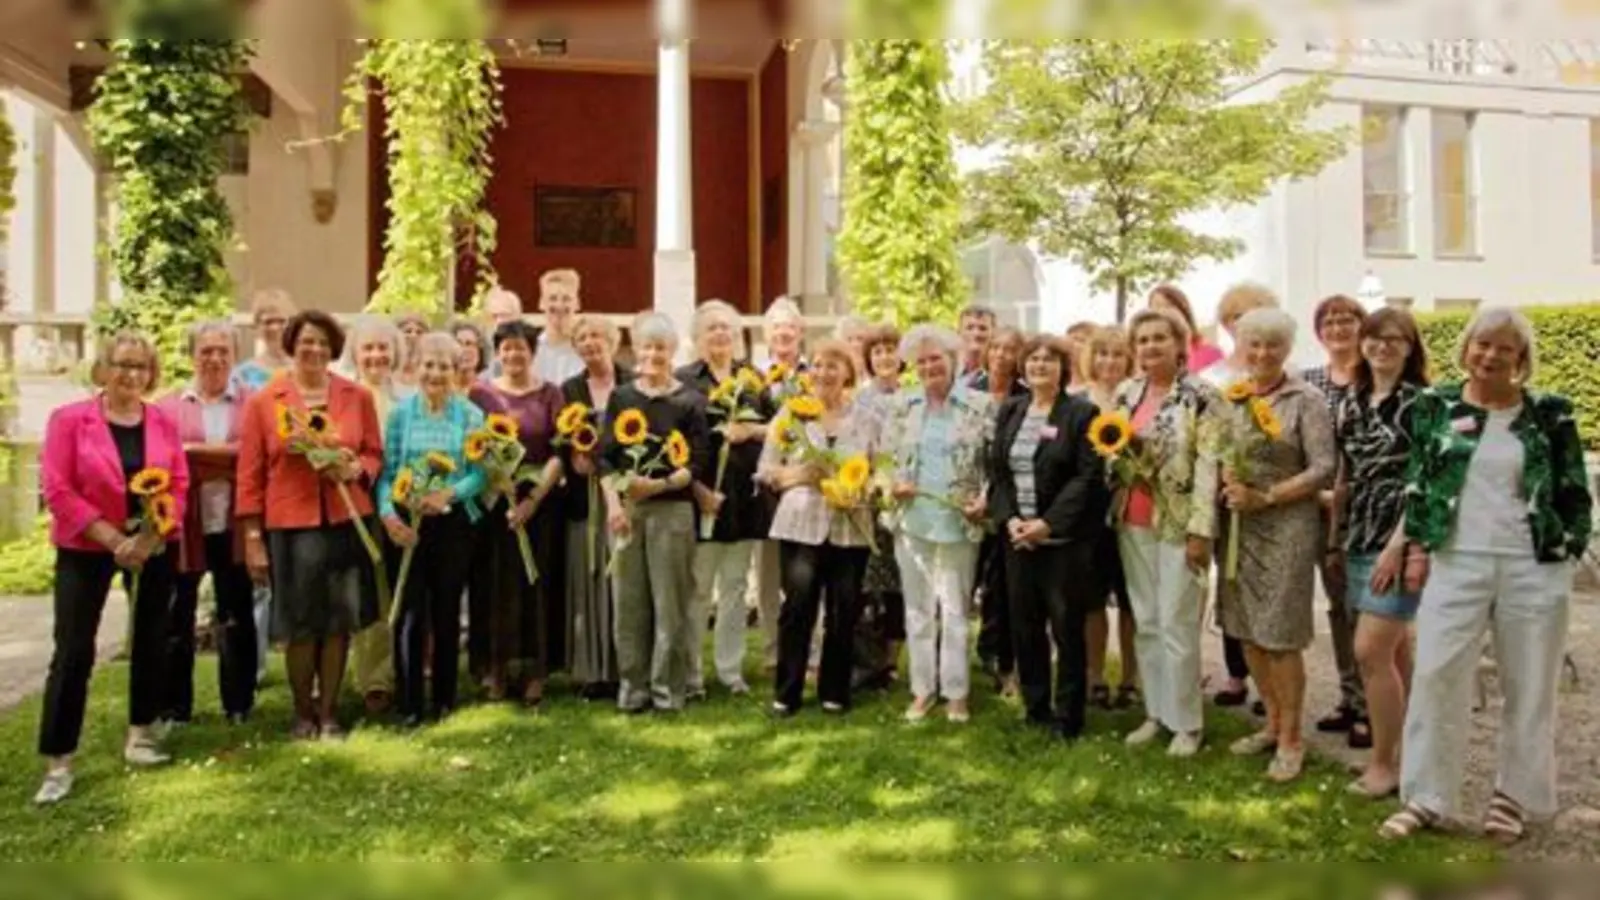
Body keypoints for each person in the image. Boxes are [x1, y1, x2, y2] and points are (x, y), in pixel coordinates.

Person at [1382, 308, 1592, 844]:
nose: (1490, 355)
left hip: (1532, 565)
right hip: (1459, 560)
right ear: (1467, 348)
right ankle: (1427, 797)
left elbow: (1573, 490)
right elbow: (1421, 483)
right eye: (1482, 344)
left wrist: (1568, 549)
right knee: (1436, 674)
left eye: (1504, 348)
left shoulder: (1549, 414)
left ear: (1521, 358)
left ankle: (1512, 798)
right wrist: (1416, 550)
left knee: (1529, 682)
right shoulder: (1436, 406)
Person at [34, 333, 190, 805]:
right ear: (103, 368)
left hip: (150, 544)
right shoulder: (68, 421)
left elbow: (178, 483)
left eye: (141, 367)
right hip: (86, 545)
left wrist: (150, 537)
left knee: (151, 639)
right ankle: (59, 759)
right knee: (74, 651)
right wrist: (111, 538)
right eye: (122, 365)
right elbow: (57, 488)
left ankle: (140, 734)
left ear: (152, 373)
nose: (131, 375)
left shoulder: (162, 421)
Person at [237, 311, 383, 742]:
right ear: (291, 346)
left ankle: (330, 711)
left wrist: (356, 466)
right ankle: (302, 711)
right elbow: (250, 474)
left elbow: (374, 453)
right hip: (292, 526)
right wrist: (251, 538)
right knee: (300, 624)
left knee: (338, 622)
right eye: (306, 342)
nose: (314, 350)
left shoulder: (356, 396)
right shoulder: (266, 401)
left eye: (322, 342)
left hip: (344, 521)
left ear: (333, 348)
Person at [1216, 308, 1337, 782]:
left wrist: (1266, 495)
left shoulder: (1306, 398)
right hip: (1240, 524)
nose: (1262, 353)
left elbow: (1324, 468)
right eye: (1254, 344)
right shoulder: (1233, 398)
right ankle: (1270, 722)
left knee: (1280, 634)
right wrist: (1228, 476)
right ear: (1242, 348)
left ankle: (1292, 738)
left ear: (1287, 349)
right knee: (1246, 627)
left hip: (1286, 523)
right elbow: (1222, 448)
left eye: (1273, 345)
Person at [1112, 309, 1219, 758]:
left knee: (1178, 622)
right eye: (1143, 340)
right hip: (1131, 519)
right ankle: (1156, 714)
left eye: (1160, 338)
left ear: (1180, 345)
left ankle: (1187, 723)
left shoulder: (1202, 396)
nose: (1151, 347)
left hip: (1178, 523)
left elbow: (1209, 466)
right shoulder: (1127, 392)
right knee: (1147, 621)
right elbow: (1110, 446)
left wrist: (1201, 530)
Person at [989, 333, 1107, 739]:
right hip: (1018, 540)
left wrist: (1048, 524)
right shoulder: (1011, 410)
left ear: (1063, 368)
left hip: (1062, 544)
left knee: (1065, 628)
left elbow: (1087, 476)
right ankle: (1036, 706)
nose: (1040, 365)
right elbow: (998, 473)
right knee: (1025, 626)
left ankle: (1069, 716)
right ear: (1023, 367)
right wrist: (1009, 521)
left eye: (1049, 360)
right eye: (1033, 359)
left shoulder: (1081, 413)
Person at [1336, 307, 1429, 799]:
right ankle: (1417, 753)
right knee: (1394, 652)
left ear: (1410, 347)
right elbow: (1346, 475)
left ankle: (1383, 763)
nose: (1382, 346)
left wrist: (1399, 546)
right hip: (1357, 535)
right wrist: (1336, 537)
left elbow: (1427, 482)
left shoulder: (1422, 404)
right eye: (1374, 338)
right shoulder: (1351, 401)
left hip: (1401, 537)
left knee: (1369, 651)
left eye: (1395, 339)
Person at [882, 324, 994, 724]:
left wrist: (985, 498)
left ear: (954, 360)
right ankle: (923, 689)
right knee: (917, 610)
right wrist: (891, 485)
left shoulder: (979, 406)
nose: (930, 366)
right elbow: (884, 461)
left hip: (958, 522)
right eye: (923, 360)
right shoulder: (902, 405)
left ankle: (957, 692)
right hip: (913, 521)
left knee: (955, 609)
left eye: (937, 358)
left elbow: (993, 465)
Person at [758, 339, 877, 715]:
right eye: (818, 366)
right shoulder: (791, 417)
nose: (824, 373)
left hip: (849, 523)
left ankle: (834, 691)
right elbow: (765, 470)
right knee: (798, 608)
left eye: (833, 366)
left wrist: (862, 488)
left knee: (844, 609)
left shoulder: (868, 419)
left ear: (848, 374)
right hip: (801, 523)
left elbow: (881, 470)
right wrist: (799, 474)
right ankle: (787, 691)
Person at [601, 312, 712, 713]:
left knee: (671, 604)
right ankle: (633, 689)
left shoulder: (690, 401)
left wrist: (660, 485)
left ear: (672, 351)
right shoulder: (622, 398)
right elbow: (606, 459)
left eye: (661, 347)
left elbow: (698, 462)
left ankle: (668, 690)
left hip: (672, 513)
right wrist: (615, 505)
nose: (653, 354)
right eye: (646, 346)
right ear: (637, 350)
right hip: (629, 511)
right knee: (629, 604)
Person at [376, 332, 488, 726]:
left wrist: (448, 495)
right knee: (409, 613)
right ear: (415, 368)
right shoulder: (399, 415)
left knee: (445, 610)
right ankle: (408, 703)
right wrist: (389, 516)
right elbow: (386, 476)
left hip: (453, 523)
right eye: (428, 364)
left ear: (456, 371)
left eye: (443, 365)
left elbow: (480, 476)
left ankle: (443, 698)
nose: (435, 373)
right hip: (408, 523)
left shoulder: (472, 416)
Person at [157, 321, 255, 728]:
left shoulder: (254, 404)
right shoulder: (167, 407)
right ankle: (176, 707)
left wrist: (197, 454)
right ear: (192, 354)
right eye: (206, 350)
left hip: (234, 524)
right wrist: (224, 457)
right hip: (185, 527)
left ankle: (238, 704)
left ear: (234, 356)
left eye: (223, 351)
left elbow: (254, 459)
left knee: (236, 614)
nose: (214, 358)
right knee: (176, 615)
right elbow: (166, 462)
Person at [678, 300, 772, 698]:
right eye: (712, 328)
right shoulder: (684, 381)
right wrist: (698, 491)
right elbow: (675, 443)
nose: (720, 334)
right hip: (702, 500)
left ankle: (731, 671)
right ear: (698, 337)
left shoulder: (754, 381)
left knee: (735, 588)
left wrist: (750, 432)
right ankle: (692, 674)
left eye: (727, 328)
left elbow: (777, 430)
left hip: (744, 501)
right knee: (698, 590)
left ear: (737, 336)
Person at [1196, 282, 1279, 709]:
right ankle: (1235, 672)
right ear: (1228, 325)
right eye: (1237, 319)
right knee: (1228, 582)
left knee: (1267, 586)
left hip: (1269, 500)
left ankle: (1273, 679)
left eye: (1255, 316)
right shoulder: (1211, 379)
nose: (1244, 327)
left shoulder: (1285, 375)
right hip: (1222, 498)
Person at [481, 320, 565, 706]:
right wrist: (496, 480)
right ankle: (496, 669)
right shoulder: (480, 394)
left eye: (521, 347)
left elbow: (558, 452)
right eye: (506, 347)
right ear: (497, 352)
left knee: (536, 585)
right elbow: (472, 445)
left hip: (539, 505)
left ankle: (535, 671)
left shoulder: (550, 394)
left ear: (534, 352)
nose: (514, 354)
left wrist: (532, 501)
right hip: (493, 503)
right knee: (496, 587)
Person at [1301, 294, 1371, 749]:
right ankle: (1349, 697)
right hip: (1319, 510)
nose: (1338, 327)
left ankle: (1371, 705)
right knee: (1336, 606)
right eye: (1329, 320)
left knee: (1363, 609)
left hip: (1366, 511)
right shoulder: (1307, 383)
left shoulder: (1375, 377)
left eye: (1347, 319)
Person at [562, 314, 631, 700]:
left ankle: (626, 666)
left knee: (623, 581)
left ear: (612, 340)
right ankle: (593, 671)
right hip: (583, 500)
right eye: (582, 338)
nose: (590, 343)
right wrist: (574, 455)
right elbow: (561, 437)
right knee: (589, 581)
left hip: (624, 495)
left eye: (597, 336)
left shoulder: (631, 382)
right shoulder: (569, 389)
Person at [342, 315, 407, 713]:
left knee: (396, 591)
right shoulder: (345, 398)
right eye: (368, 348)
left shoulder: (405, 398)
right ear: (356, 353)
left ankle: (396, 671)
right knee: (364, 593)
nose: (376, 355)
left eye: (383, 347)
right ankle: (372, 679)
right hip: (354, 508)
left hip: (399, 508)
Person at [1077, 325, 1141, 711]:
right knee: (1092, 599)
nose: (1109, 362)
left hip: (1130, 507)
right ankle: (1095, 675)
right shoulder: (1077, 401)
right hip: (1089, 514)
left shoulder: (1137, 399)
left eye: (1117, 354)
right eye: (1102, 353)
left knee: (1132, 599)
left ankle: (1131, 679)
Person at [448, 316, 512, 684]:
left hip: (483, 503)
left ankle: (483, 662)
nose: (465, 350)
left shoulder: (488, 397)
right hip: (443, 501)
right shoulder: (438, 392)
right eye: (459, 342)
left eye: (472, 343)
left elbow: (502, 450)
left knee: (484, 585)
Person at [853, 324, 906, 689]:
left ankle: (891, 662)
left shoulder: (914, 397)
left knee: (900, 584)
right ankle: (865, 660)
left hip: (904, 500)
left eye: (891, 349)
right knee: (867, 584)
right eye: (878, 352)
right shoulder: (858, 399)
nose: (885, 357)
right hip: (867, 503)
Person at [974, 326, 1026, 696]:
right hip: (968, 498)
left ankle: (1000, 657)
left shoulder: (1025, 396)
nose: (1003, 355)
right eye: (997, 348)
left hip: (1007, 500)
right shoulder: (968, 392)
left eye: (1011, 349)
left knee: (1001, 585)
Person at [1147, 284, 1224, 374]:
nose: (1162, 313)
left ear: (1183, 310)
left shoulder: (1211, 354)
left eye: (1168, 306)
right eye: (1155, 308)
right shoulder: (1145, 357)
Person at [232, 288, 296, 390]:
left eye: (281, 321)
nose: (275, 327)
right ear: (257, 327)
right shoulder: (242, 375)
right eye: (268, 322)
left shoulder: (307, 371)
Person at [535, 268, 585, 385]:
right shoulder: (531, 351)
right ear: (541, 303)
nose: (559, 305)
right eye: (552, 298)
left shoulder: (585, 351)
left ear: (577, 304)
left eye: (566, 299)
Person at [479, 286, 525, 381]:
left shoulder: (530, 350)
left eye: (504, 315)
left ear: (518, 317)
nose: (499, 321)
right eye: (494, 316)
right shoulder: (482, 348)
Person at [956, 303, 997, 386]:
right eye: (969, 328)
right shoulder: (946, 373)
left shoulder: (1001, 375)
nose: (976, 334)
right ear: (958, 332)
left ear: (994, 333)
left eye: (983, 328)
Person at [393, 312, 428, 395]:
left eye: (419, 332)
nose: (413, 336)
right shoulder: (387, 370)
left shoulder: (429, 372)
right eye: (408, 331)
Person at [1063, 322, 1095, 393]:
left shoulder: (1097, 388)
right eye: (1069, 339)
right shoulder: (1057, 385)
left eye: (1080, 340)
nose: (1071, 344)